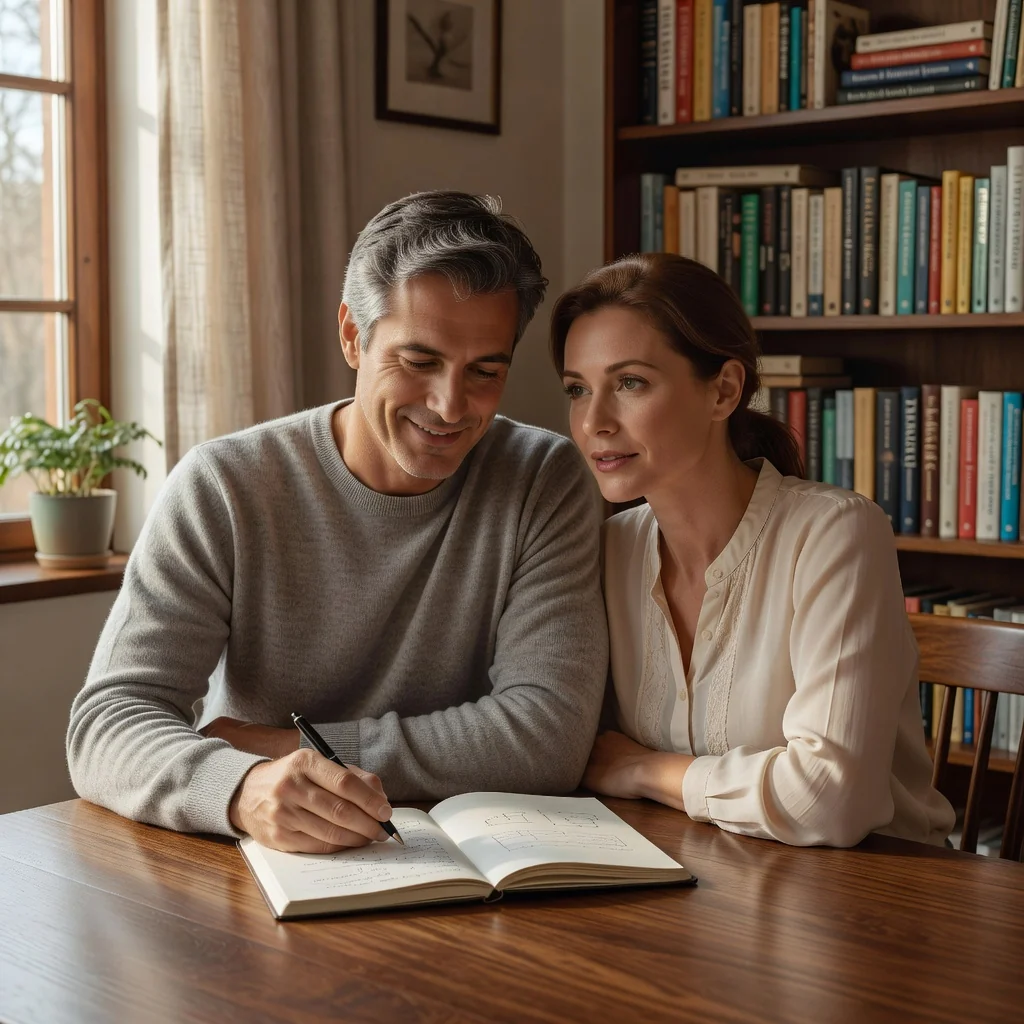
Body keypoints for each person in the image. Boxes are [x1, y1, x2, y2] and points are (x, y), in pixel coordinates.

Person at [68, 191, 608, 854]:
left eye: (485, 371)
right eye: (418, 361)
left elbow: (547, 737)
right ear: (353, 336)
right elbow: (107, 723)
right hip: (263, 864)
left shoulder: (543, 479)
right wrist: (245, 789)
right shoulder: (225, 485)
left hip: (473, 862)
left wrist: (289, 746)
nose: (449, 405)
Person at [551, 252, 954, 848]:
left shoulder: (836, 533)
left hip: (881, 898)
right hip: (705, 885)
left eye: (630, 383)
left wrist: (642, 768)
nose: (594, 423)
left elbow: (829, 798)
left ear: (724, 390)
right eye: (578, 390)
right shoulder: (608, 550)